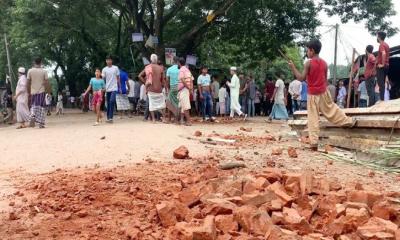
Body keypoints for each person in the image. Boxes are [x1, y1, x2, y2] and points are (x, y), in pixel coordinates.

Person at [289, 39, 355, 151]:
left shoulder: (308, 63)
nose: (307, 53)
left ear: (312, 50)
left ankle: (314, 143)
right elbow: (324, 79)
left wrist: (293, 68)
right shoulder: (324, 63)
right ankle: (349, 121)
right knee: (333, 110)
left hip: (313, 94)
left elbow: (301, 78)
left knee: (313, 119)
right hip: (324, 92)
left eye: (307, 51)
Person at [139, 54, 166, 123]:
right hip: (159, 89)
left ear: (151, 60)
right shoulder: (160, 68)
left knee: (151, 104)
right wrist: (163, 86)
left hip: (150, 88)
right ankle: (164, 118)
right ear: (156, 60)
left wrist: (145, 82)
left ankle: (153, 119)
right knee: (162, 104)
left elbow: (139, 76)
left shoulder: (148, 67)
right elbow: (163, 80)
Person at [27, 57, 50, 128]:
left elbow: (28, 82)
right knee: (41, 107)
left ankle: (33, 115)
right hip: (41, 91)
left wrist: (28, 92)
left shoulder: (30, 71)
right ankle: (41, 123)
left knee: (33, 105)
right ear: (41, 62)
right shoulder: (44, 71)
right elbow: (46, 83)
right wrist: (48, 92)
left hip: (33, 91)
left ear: (34, 62)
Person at [102, 55, 120, 123]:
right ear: (106, 61)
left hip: (114, 88)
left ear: (112, 61)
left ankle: (111, 117)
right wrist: (103, 88)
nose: (108, 61)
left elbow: (118, 78)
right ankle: (108, 118)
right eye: (107, 60)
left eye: (110, 60)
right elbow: (103, 80)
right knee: (108, 103)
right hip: (107, 88)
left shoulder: (115, 68)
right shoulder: (104, 69)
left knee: (112, 101)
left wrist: (119, 87)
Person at [178, 57, 194, 125]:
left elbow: (182, 79)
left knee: (185, 106)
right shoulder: (187, 70)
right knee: (182, 105)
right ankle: (182, 120)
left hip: (184, 89)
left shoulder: (181, 70)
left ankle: (188, 121)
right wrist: (191, 89)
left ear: (179, 63)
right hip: (185, 89)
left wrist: (188, 88)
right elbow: (191, 80)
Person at [376, 31, 390, 102]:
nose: (376, 37)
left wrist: (382, 64)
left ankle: (382, 99)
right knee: (382, 83)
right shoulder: (386, 45)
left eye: (377, 36)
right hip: (387, 65)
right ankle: (382, 98)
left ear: (379, 37)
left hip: (382, 66)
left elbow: (383, 54)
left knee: (380, 83)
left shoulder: (381, 45)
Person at [166, 56, 180, 122]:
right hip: (179, 87)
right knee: (177, 103)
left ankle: (169, 119)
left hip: (172, 87)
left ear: (173, 61)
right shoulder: (180, 69)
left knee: (169, 103)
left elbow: (167, 80)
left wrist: (168, 89)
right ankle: (176, 119)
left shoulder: (169, 69)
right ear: (178, 62)